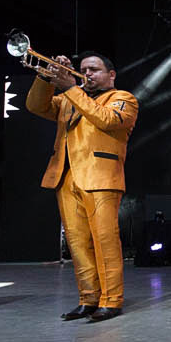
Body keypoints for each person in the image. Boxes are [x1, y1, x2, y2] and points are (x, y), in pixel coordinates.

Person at [26, 52, 138, 322]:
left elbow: (107, 120)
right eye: (83, 69)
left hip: (101, 177)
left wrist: (71, 88)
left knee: (105, 241)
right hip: (66, 177)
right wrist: (46, 75)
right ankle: (88, 298)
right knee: (77, 244)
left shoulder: (124, 98)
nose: (87, 73)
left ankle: (111, 300)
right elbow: (35, 105)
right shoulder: (69, 98)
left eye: (94, 69)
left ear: (111, 75)